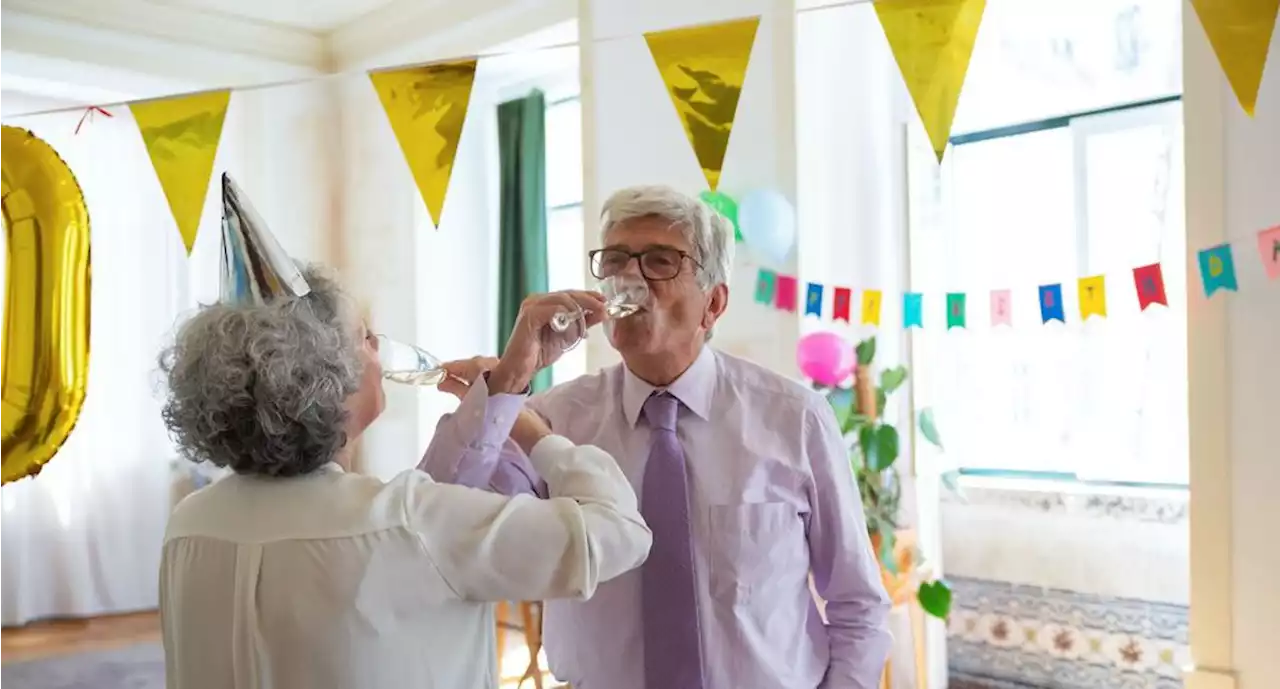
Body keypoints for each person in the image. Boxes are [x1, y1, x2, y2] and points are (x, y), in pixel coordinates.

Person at [157, 174, 651, 689]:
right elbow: (617, 532)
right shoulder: (407, 522)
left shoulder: (190, 522)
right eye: (364, 337)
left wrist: (504, 387)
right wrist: (531, 428)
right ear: (326, 374)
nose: (380, 347)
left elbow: (426, 524)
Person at [421, 184, 893, 689]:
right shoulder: (553, 419)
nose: (630, 278)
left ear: (713, 304)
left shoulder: (795, 419)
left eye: (661, 261)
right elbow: (440, 520)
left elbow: (857, 604)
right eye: (617, 259)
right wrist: (509, 380)